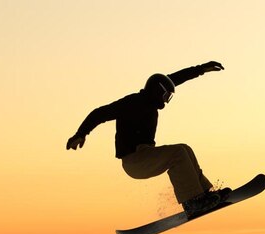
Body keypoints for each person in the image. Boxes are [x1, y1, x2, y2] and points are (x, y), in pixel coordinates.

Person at [66, 61, 231, 217]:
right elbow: (99, 113)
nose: (166, 101)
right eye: (166, 96)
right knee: (178, 153)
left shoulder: (151, 99)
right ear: (156, 92)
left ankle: (204, 194)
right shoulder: (132, 102)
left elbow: (175, 78)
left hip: (146, 154)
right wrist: (81, 134)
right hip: (134, 160)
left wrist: (201, 69)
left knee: (184, 148)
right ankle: (193, 203)